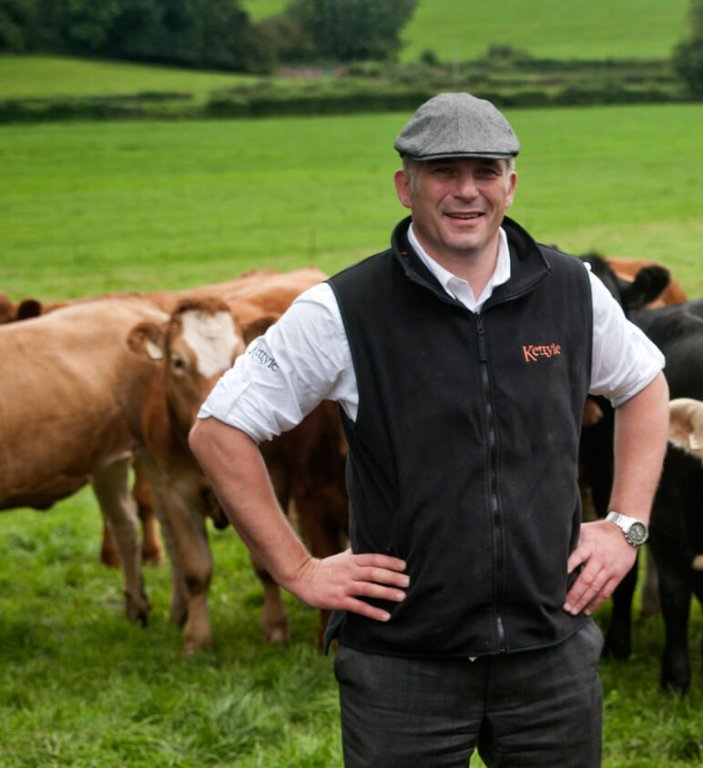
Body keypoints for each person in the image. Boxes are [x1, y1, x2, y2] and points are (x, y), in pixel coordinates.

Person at [189, 92, 669, 767]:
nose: (465, 190)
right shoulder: (343, 310)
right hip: (403, 667)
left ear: (511, 183)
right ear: (404, 186)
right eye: (443, 171)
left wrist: (627, 526)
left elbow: (645, 384)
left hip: (550, 655)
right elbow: (218, 429)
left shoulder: (570, 290)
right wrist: (296, 568)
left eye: (484, 170)